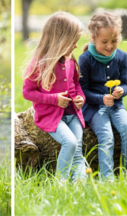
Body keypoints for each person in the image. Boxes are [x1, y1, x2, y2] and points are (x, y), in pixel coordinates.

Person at [22, 11, 87, 182]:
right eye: (73, 42)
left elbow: (76, 84)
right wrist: (55, 100)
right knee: (70, 143)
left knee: (78, 149)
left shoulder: (70, 61)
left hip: (73, 115)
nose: (75, 46)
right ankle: (61, 184)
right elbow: (27, 92)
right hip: (52, 117)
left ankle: (80, 188)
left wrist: (81, 98)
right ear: (61, 40)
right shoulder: (39, 63)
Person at [79, 11, 127, 181]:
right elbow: (82, 91)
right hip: (94, 108)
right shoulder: (85, 59)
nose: (110, 46)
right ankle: (107, 179)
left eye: (114, 41)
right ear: (94, 38)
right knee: (106, 136)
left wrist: (121, 91)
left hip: (117, 106)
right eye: (104, 42)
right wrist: (101, 99)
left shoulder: (121, 57)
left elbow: (126, 85)